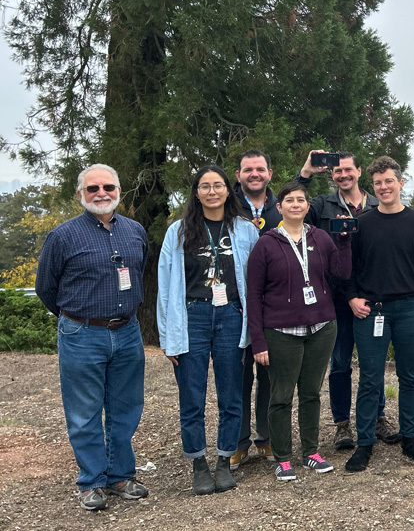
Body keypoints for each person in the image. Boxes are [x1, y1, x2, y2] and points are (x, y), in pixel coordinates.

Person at [35, 164, 150, 511]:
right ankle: (91, 481)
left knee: (126, 407)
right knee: (84, 411)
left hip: (127, 332)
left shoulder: (135, 231)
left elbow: (140, 271)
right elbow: (46, 287)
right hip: (81, 332)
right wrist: (76, 319)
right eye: (92, 188)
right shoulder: (63, 236)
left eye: (108, 187)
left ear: (119, 190)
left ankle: (119, 475)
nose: (101, 193)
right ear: (81, 194)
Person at [157, 165, 260, 494]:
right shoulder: (178, 232)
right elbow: (164, 286)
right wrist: (168, 337)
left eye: (218, 185)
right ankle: (199, 464)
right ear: (196, 192)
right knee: (192, 397)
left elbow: (255, 282)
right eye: (205, 186)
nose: (212, 191)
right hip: (192, 317)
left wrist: (254, 325)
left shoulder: (244, 230)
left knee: (231, 395)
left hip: (231, 314)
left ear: (229, 191)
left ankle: (224, 460)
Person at [246, 180, 350, 482]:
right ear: (279, 207)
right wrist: (258, 340)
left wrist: (343, 241)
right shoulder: (266, 243)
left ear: (307, 206)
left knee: (311, 393)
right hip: (281, 331)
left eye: (301, 200)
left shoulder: (320, 237)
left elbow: (341, 273)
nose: (295, 204)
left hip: (321, 326)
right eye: (289, 200)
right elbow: (254, 294)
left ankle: (311, 452)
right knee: (280, 395)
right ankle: (282, 457)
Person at [295, 150, 395, 450]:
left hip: (373, 296)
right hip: (336, 297)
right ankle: (342, 425)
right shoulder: (321, 205)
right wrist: (306, 173)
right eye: (337, 172)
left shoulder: (378, 202)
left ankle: (378, 418)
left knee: (372, 362)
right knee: (339, 364)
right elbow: (290, 206)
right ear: (332, 175)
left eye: (348, 170)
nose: (343, 175)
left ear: (359, 171)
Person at [343, 156, 414, 472]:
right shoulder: (363, 224)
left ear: (400, 183)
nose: (384, 187)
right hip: (371, 311)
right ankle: (365, 443)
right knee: (370, 379)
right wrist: (352, 298)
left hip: (411, 309)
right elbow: (349, 268)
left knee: (409, 376)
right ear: (373, 186)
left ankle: (409, 437)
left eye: (389, 181)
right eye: (378, 183)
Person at [230, 149, 284, 470]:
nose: (254, 174)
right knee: (237, 378)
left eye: (260, 169)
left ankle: (265, 439)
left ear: (269, 173)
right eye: (248, 169)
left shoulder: (281, 209)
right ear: (238, 175)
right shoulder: (225, 208)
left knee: (269, 377)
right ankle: (237, 443)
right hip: (236, 308)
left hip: (273, 308)